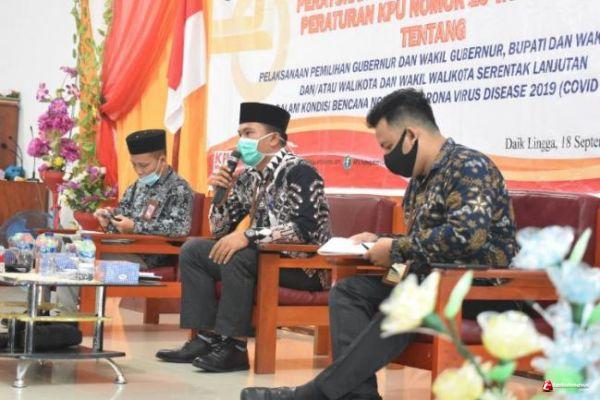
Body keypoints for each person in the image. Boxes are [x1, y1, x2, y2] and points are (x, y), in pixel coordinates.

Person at [240, 88, 519, 400]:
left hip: (481, 289)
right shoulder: (420, 181)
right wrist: (379, 241)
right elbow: (423, 240)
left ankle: (311, 395)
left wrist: (395, 249)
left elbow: (466, 237)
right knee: (350, 291)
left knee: (405, 296)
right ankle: (361, 396)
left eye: (387, 146)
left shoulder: (469, 167)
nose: (387, 156)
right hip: (428, 281)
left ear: (411, 135)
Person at [155, 102, 332, 372]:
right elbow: (220, 231)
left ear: (273, 139)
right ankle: (205, 338)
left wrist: (248, 236)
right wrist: (219, 197)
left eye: (248, 133)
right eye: (240, 134)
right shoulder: (250, 177)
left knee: (238, 255)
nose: (241, 142)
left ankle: (235, 348)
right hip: (261, 259)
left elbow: (305, 230)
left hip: (303, 267)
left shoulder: (301, 172)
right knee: (194, 250)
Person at [57, 129, 194, 311]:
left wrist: (136, 227)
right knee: (65, 244)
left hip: (148, 261)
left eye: (143, 165)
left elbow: (180, 228)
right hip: (123, 250)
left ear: (162, 160)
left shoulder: (179, 189)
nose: (138, 171)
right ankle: (59, 313)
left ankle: (67, 316)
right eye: (134, 165)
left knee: (79, 254)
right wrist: (109, 219)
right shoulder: (137, 187)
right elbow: (123, 216)